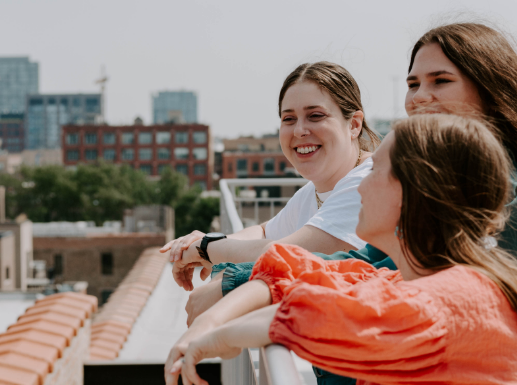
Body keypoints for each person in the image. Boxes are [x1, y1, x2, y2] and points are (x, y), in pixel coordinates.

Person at [210, 22, 517, 385]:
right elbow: (363, 268)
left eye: (440, 81)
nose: (419, 98)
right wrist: (241, 282)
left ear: (492, 90)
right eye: (412, 84)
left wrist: (233, 286)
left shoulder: (509, 197)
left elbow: (375, 280)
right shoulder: (476, 184)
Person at [165, 114, 517, 385]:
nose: (361, 185)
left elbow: (317, 314)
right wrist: (211, 329)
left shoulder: (453, 300)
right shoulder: (431, 281)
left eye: (375, 172)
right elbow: (313, 274)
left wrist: (210, 339)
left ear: (416, 193)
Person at [158, 61, 380, 322]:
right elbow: (265, 231)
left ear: (354, 124)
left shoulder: (371, 182)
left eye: (315, 116)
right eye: (289, 119)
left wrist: (207, 249)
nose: (299, 130)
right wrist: (210, 241)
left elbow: (287, 252)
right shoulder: (314, 190)